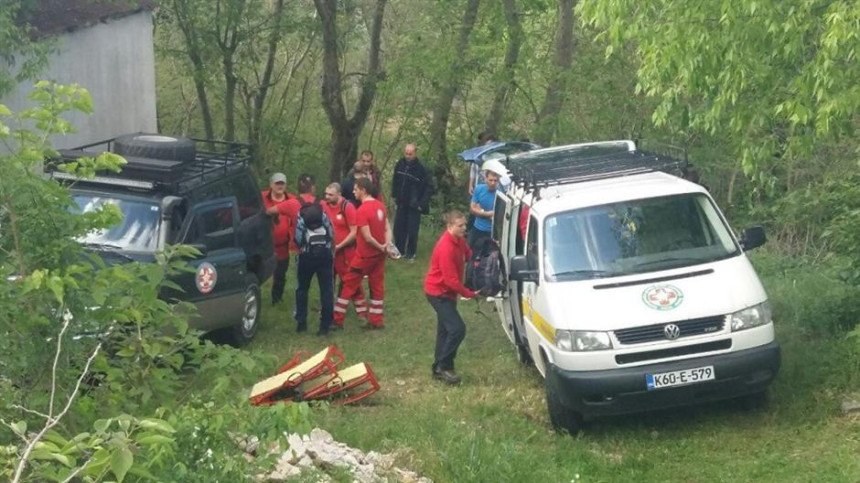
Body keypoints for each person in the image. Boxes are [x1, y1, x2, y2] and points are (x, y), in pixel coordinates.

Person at [424, 210, 478, 385]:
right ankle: (444, 365)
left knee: (445, 331)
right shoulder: (445, 247)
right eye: (460, 226)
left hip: (447, 293)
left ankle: (437, 368)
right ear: (449, 226)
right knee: (457, 329)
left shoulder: (459, 240)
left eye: (465, 225)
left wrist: (478, 261)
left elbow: (468, 254)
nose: (464, 228)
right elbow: (451, 281)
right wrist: (469, 293)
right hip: (438, 292)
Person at [333, 177, 392, 329]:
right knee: (377, 286)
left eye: (355, 189)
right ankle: (376, 320)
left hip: (365, 255)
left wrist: (380, 246)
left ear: (363, 190)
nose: (353, 192)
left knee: (348, 284)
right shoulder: (381, 206)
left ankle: (337, 319)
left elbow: (367, 237)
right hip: (379, 256)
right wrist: (387, 245)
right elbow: (387, 228)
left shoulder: (362, 210)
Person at [291, 174, 335, 335]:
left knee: (302, 288)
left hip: (306, 256)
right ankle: (325, 326)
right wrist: (329, 248)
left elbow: (298, 236)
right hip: (324, 255)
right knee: (327, 290)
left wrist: (302, 249)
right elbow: (330, 230)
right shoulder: (322, 208)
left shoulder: (301, 213)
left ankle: (301, 322)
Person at [323, 182, 367, 327]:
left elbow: (354, 232)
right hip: (329, 252)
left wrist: (339, 246)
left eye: (330, 194)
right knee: (328, 281)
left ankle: (362, 313)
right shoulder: (324, 206)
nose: (327, 197)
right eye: (326, 194)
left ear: (339, 195)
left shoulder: (347, 207)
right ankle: (328, 309)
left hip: (346, 252)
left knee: (350, 280)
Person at [391, 143, 432, 262]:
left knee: (412, 230)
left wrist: (421, 203)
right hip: (401, 202)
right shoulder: (400, 164)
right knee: (399, 228)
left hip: (414, 204)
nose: (408, 156)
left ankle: (411, 253)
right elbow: (395, 181)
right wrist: (394, 195)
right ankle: (399, 250)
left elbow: (428, 188)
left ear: (415, 153)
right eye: (406, 153)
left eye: (410, 154)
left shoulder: (421, 168)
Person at [261, 172, 293, 305]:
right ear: (271, 184)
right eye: (277, 183)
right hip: (263, 244)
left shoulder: (292, 200)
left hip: (282, 246)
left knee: (280, 274)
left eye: (282, 183)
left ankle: (277, 299)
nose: (280, 186)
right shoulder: (262, 197)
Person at [469, 169, 500, 250]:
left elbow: (499, 214)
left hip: (493, 231)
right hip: (478, 228)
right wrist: (488, 214)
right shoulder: (479, 189)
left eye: (495, 180)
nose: (493, 183)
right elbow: (472, 209)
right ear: (485, 179)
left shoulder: (501, 193)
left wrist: (479, 210)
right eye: (490, 180)